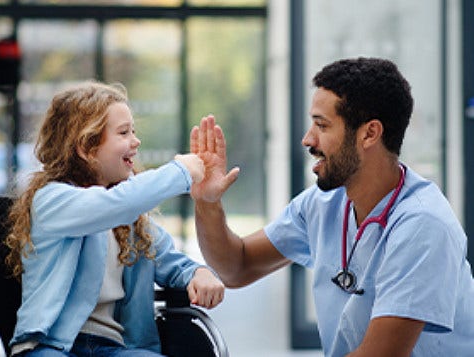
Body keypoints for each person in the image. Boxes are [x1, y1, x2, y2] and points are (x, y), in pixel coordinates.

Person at [190, 57, 474, 356]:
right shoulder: (324, 202)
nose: (307, 139)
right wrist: (208, 204)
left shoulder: (423, 225)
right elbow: (237, 267)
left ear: (369, 133)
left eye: (322, 125)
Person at [5, 81, 224, 356]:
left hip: (114, 348)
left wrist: (199, 273)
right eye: (123, 133)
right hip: (52, 346)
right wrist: (180, 172)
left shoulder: (132, 219)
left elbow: (172, 261)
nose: (136, 141)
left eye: (133, 131)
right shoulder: (52, 201)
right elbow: (113, 205)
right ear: (86, 147)